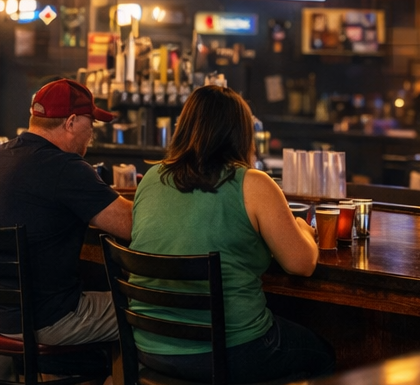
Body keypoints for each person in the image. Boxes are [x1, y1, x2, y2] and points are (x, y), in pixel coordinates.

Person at [129, 85, 335, 382]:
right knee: (324, 356)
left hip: (151, 347)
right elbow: (301, 264)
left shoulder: (151, 177)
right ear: (241, 133)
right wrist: (303, 230)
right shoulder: (254, 183)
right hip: (232, 351)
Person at [0, 79, 131, 349]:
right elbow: (132, 226)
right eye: (92, 124)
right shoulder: (66, 167)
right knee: (149, 310)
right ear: (72, 121)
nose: (92, 134)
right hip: (38, 319)